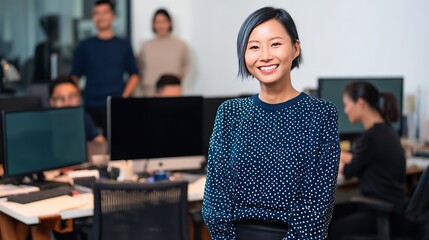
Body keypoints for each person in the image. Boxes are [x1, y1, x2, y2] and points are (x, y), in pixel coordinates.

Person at [202, 7, 340, 240]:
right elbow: (215, 197)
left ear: (295, 48)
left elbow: (319, 206)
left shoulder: (321, 115)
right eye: (254, 47)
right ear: (244, 55)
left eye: (275, 44)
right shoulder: (230, 113)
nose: (265, 55)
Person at [328, 82, 409, 239]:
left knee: (331, 227)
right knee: (331, 215)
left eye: (346, 105)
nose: (345, 110)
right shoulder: (385, 130)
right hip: (394, 208)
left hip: (382, 211)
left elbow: (349, 170)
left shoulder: (370, 137)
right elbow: (359, 157)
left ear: (360, 103)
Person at [71, 0, 139, 135]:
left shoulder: (123, 45)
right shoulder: (84, 46)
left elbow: (134, 74)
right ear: (93, 18)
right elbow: (74, 76)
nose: (101, 17)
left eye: (105, 12)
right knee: (92, 147)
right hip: (90, 105)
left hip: (115, 105)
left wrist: (123, 99)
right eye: (96, 13)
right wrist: (75, 99)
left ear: (113, 16)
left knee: (117, 147)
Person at [134, 8, 190, 97]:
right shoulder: (145, 46)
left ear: (170, 23)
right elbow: (139, 69)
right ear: (153, 24)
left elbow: (186, 66)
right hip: (149, 92)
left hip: (172, 93)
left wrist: (175, 85)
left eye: (164, 21)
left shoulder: (181, 45)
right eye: (157, 22)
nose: (161, 25)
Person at [50, 76, 106, 143]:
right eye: (60, 98)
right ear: (51, 102)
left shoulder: (83, 118)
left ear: (79, 98)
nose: (67, 103)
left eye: (72, 97)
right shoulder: (45, 123)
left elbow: (101, 142)